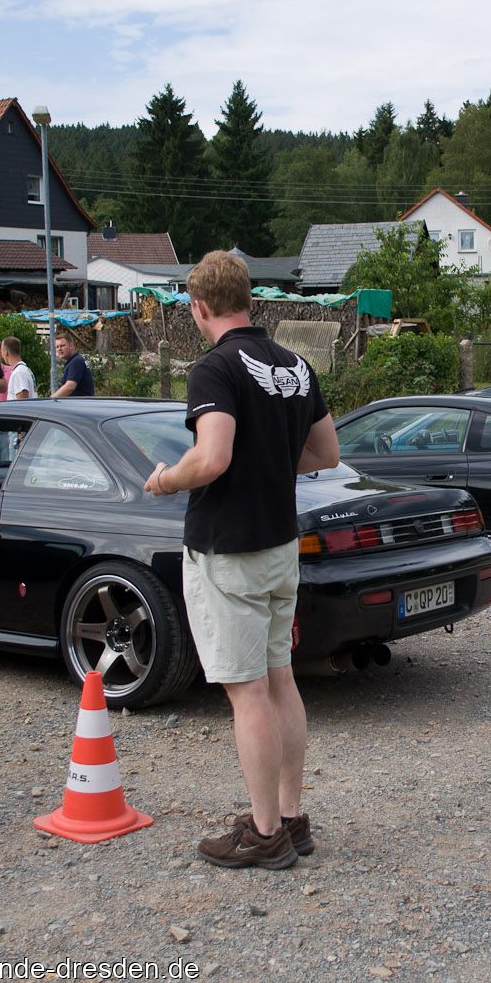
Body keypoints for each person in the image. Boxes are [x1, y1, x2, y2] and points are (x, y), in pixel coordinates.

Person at [144, 250, 340, 871]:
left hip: (229, 549)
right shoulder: (295, 364)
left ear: (199, 306)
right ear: (248, 298)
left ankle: (263, 833)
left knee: (248, 690)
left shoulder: (215, 368)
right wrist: (271, 460)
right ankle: (291, 818)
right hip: (280, 545)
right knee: (280, 680)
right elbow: (326, 454)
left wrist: (167, 480)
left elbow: (213, 459)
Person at [52, 329, 94, 397]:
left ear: (71, 345)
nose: (59, 349)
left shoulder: (76, 361)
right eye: (57, 347)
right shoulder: (74, 361)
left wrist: (52, 399)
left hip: (79, 402)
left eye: (62, 346)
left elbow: (70, 387)